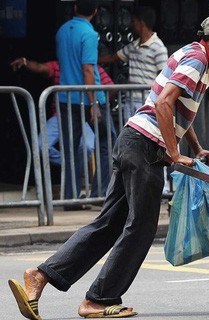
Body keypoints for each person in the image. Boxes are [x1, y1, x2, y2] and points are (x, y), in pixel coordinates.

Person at [8, 12, 209, 320]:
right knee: (141, 227)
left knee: (109, 224)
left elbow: (178, 110)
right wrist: (175, 153)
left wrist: (196, 147)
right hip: (143, 147)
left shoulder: (198, 58)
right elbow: (164, 103)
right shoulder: (197, 61)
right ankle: (98, 299)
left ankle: (40, 276)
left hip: (133, 141)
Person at [52, 0, 117, 210]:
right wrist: (94, 103)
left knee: (71, 148)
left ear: (75, 8)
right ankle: (98, 193)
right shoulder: (89, 35)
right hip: (88, 98)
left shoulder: (62, 30)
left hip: (65, 97)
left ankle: (71, 198)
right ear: (96, 12)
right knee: (109, 142)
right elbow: (88, 70)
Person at [9, 58, 113, 168]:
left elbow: (111, 88)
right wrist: (25, 62)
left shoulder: (93, 68)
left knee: (86, 146)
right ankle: (70, 168)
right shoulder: (60, 66)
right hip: (60, 116)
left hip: (85, 116)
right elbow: (40, 67)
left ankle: (75, 171)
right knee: (40, 146)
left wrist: (100, 106)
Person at [98, 6, 168, 120]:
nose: (131, 24)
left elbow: (165, 76)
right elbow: (113, 57)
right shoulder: (133, 46)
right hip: (130, 100)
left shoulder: (159, 48)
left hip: (147, 100)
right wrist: (90, 60)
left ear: (141, 23)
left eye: (133, 21)